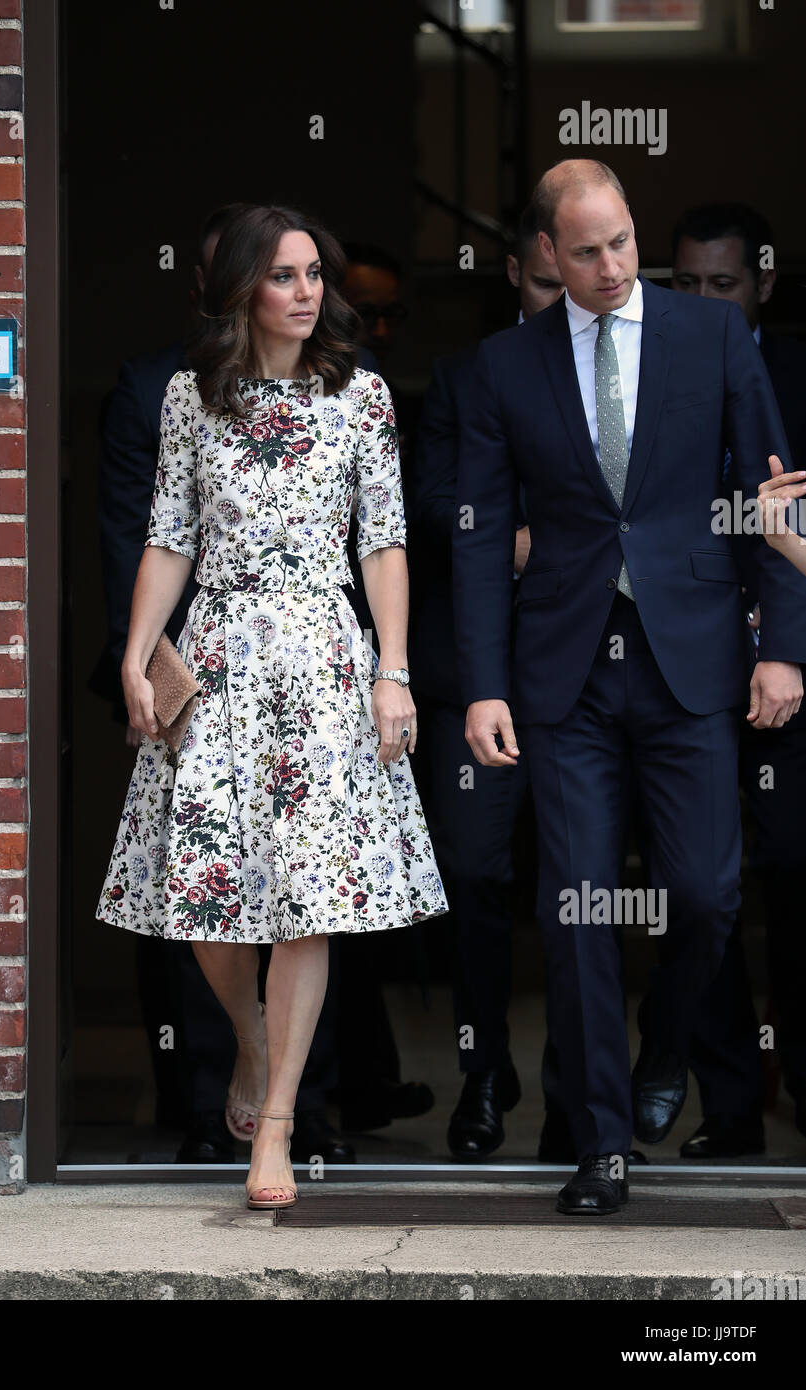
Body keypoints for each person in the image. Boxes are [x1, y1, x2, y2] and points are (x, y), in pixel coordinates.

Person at [453, 158, 806, 1215]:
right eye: (586, 250)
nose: (611, 266)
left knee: (705, 894)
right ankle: (600, 1141)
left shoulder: (712, 338)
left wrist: (781, 646)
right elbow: (475, 547)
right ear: (544, 259)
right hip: (561, 673)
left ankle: (664, 1048)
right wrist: (481, 685)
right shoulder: (500, 367)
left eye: (620, 242)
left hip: (692, 658)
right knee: (573, 913)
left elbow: (771, 492)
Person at [95, 204, 449, 1208]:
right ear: (240, 289)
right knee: (205, 889)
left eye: (313, 276)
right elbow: (168, 536)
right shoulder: (188, 398)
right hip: (215, 655)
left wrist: (393, 668)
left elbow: (383, 540)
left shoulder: (361, 397)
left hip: (325, 659)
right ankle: (248, 1038)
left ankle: (278, 1125)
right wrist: (134, 653)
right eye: (285, 276)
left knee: (308, 903)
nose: (307, 294)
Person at [411, 203, 570, 1161]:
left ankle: (568, 1096)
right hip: (467, 666)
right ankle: (481, 1071)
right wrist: (496, 532)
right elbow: (423, 499)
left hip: (581, 666)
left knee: (574, 887)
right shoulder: (464, 374)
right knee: (470, 873)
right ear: (514, 274)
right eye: (547, 284)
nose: (566, 302)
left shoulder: (623, 372)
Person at [669, 203, 806, 1154]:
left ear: (761, 283)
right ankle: (725, 1107)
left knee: (794, 876)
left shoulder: (797, 370)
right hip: (685, 663)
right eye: (687, 285)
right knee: (696, 887)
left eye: (724, 284)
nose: (707, 302)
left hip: (789, 659)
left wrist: (786, 649)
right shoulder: (654, 365)